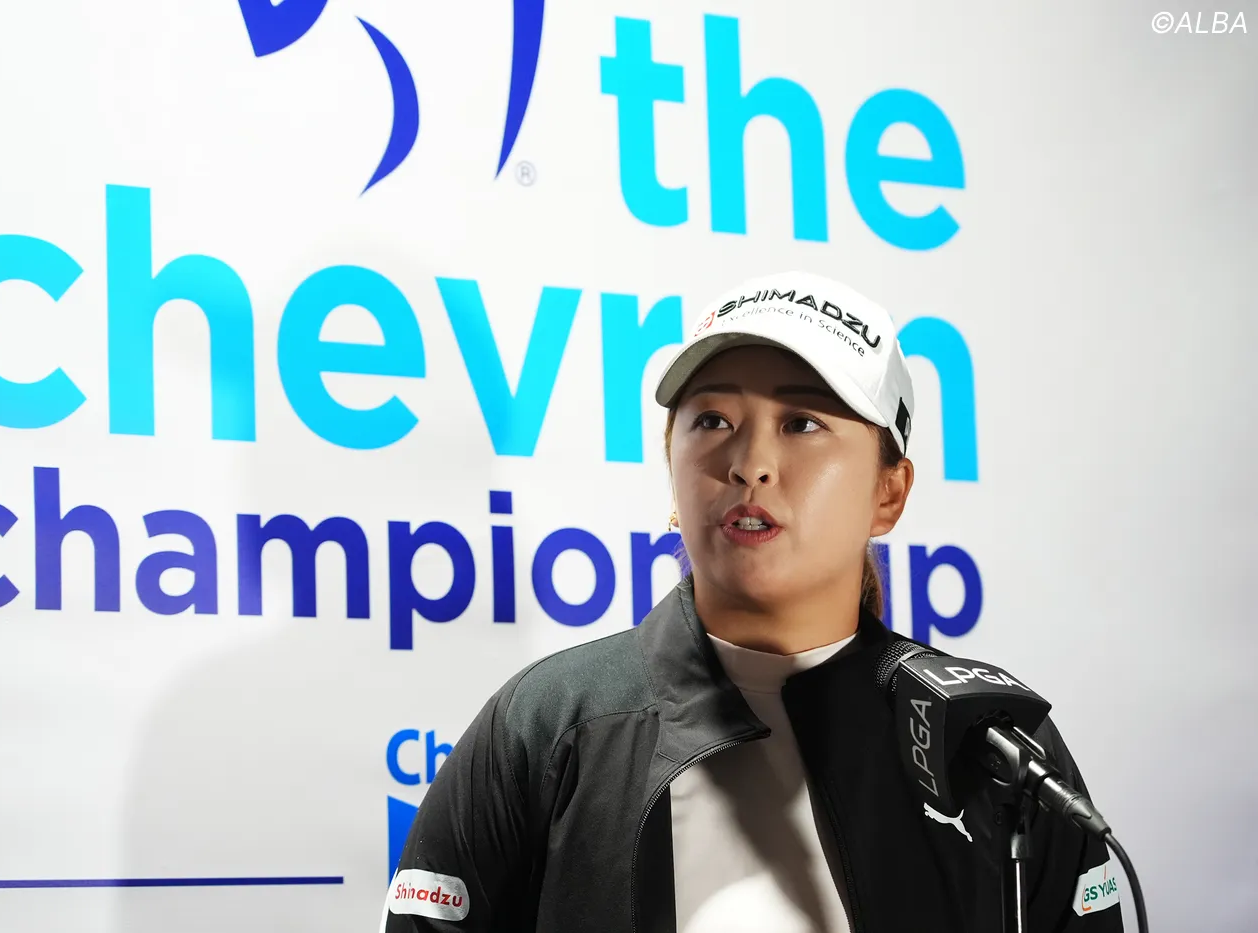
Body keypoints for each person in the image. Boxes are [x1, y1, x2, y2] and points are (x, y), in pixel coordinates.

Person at [379, 271, 1121, 932]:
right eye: (712, 421)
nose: (750, 464)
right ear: (673, 478)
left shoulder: (993, 742)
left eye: (802, 423)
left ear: (888, 492)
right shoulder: (547, 724)